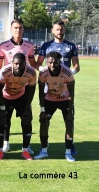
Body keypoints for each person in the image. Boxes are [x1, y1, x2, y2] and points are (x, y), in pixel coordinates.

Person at [32, 20, 80, 154]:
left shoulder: (71, 46)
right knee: (45, 118)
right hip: (49, 88)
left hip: (65, 86)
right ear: (52, 31)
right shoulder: (46, 45)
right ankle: (44, 143)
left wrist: (69, 74)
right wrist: (44, 71)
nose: (59, 32)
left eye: (62, 29)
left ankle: (71, 144)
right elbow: (37, 64)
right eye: (57, 29)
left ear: (64, 30)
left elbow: (76, 66)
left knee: (69, 118)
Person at [0, 19, 35, 154]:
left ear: (23, 29)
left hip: (22, 88)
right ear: (11, 29)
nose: (18, 30)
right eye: (15, 28)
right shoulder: (3, 46)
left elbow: (32, 65)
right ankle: (6, 143)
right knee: (5, 118)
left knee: (27, 117)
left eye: (20, 28)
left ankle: (26, 146)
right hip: (6, 87)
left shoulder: (29, 46)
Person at [34, 51, 76, 162]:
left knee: (69, 123)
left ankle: (68, 152)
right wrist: (42, 109)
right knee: (43, 122)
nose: (52, 65)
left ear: (60, 61)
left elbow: (72, 93)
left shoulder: (67, 72)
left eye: (55, 62)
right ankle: (44, 150)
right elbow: (40, 92)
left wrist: (70, 113)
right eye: (50, 63)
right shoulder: (43, 73)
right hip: (49, 100)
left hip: (66, 100)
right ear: (46, 62)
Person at [0, 53, 36, 160]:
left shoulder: (31, 72)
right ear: (12, 63)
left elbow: (31, 90)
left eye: (20, 64)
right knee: (3, 120)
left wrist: (27, 107)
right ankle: (4, 146)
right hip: (5, 97)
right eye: (16, 64)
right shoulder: (5, 71)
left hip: (21, 96)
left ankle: (25, 150)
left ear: (25, 64)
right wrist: (2, 107)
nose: (18, 66)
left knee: (27, 119)